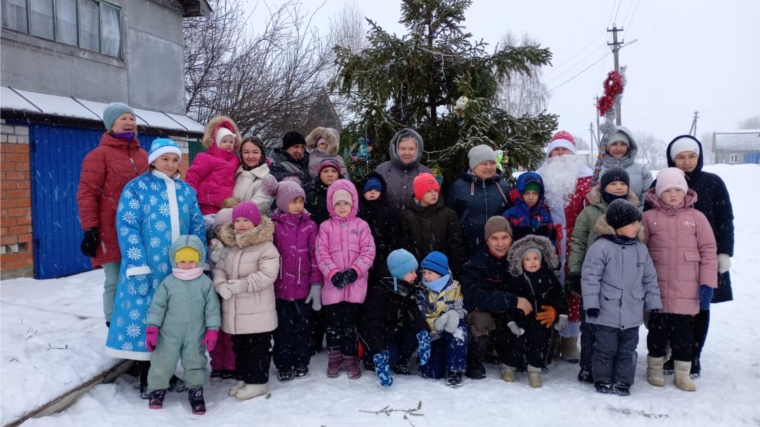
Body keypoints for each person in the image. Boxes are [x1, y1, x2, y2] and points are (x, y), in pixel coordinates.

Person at [105, 138, 206, 398]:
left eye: (175, 159)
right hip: (148, 267)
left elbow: (196, 226)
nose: (171, 164)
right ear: (153, 160)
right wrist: (137, 265)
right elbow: (128, 227)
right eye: (165, 159)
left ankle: (166, 372)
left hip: (178, 268)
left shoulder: (186, 191)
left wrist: (198, 258)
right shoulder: (136, 189)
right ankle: (146, 376)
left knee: (170, 321)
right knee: (147, 318)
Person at [649, 135, 734, 379]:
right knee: (666, 310)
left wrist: (724, 252)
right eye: (680, 157)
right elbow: (649, 216)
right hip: (668, 261)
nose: (686, 162)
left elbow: (725, 219)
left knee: (699, 307)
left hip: (704, 259)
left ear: (699, 157)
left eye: (691, 156)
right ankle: (667, 353)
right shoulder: (661, 182)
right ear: (671, 159)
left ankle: (691, 356)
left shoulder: (712, 182)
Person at [642, 168, 717, 392]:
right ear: (658, 193)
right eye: (667, 190)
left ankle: (682, 373)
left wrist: (707, 284)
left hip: (687, 289)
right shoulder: (648, 218)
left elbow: (708, 250)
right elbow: (640, 252)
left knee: (684, 335)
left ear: (685, 192)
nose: (673, 194)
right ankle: (654, 368)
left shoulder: (696, 218)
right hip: (658, 290)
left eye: (678, 189)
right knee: (657, 333)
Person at [77, 102, 148, 328]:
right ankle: (115, 325)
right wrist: (90, 228)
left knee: (140, 277)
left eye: (132, 118)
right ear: (111, 124)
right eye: (123, 118)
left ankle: (139, 325)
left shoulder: (144, 155)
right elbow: (87, 193)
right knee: (116, 280)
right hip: (111, 229)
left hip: (142, 228)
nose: (129, 122)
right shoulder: (99, 155)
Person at [566, 167, 640, 383]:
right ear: (603, 187)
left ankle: (614, 368)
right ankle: (588, 366)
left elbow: (640, 243)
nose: (618, 187)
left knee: (618, 329)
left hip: (621, 281)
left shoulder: (634, 211)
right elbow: (578, 242)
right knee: (590, 325)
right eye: (613, 183)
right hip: (594, 280)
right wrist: (575, 271)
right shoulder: (590, 212)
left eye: (622, 184)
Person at [581, 199, 661, 396]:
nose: (637, 227)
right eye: (632, 223)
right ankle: (603, 380)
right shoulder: (601, 247)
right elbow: (590, 277)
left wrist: (653, 303)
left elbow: (649, 278)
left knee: (627, 350)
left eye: (637, 223)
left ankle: (623, 382)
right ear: (617, 225)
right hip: (605, 310)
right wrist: (591, 304)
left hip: (632, 311)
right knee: (605, 349)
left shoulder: (640, 248)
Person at [145, 235, 221, 414]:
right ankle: (157, 389)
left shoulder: (205, 283)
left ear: (199, 260)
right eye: (182, 261)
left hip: (196, 332)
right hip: (169, 332)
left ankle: (195, 390)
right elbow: (158, 307)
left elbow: (212, 308)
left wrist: (212, 330)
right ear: (175, 260)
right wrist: (152, 328)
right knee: (163, 361)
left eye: (191, 261)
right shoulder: (168, 283)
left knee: (195, 361)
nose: (187, 265)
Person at [536, 130, 593, 362]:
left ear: (573, 153)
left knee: (574, 290)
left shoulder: (588, 179)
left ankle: (570, 340)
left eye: (564, 150)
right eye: (555, 150)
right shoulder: (540, 177)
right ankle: (552, 337)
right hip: (548, 242)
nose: (559, 155)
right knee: (549, 288)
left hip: (577, 243)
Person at [214, 201, 280, 400]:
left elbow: (267, 274)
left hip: (257, 309)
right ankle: (243, 378)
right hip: (234, 310)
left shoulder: (266, 247)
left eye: (246, 220)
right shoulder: (229, 247)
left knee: (257, 348)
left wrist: (242, 285)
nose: (241, 224)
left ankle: (258, 382)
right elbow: (220, 269)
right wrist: (221, 285)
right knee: (240, 347)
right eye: (238, 221)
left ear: (256, 222)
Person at [315, 179, 376, 379]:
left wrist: (354, 271)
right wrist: (333, 273)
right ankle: (334, 357)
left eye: (346, 203)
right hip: (333, 286)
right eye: (337, 204)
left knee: (350, 324)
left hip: (355, 285)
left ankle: (350, 357)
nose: (342, 207)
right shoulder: (325, 227)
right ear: (331, 205)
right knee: (333, 324)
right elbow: (321, 253)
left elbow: (368, 251)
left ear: (353, 204)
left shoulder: (361, 225)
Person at [459, 216, 533, 380]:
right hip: (489, 316)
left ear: (511, 238)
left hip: (510, 318)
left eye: (505, 237)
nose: (500, 244)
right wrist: (511, 300)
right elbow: (474, 297)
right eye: (495, 238)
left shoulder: (521, 259)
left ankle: (514, 354)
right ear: (487, 240)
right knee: (480, 319)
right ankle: (475, 361)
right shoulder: (476, 262)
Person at [270, 181, 323, 381]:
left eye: (301, 201)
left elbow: (315, 256)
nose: (298, 205)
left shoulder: (310, 225)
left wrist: (315, 284)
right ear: (283, 203)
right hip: (280, 290)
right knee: (283, 330)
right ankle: (284, 364)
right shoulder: (274, 226)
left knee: (303, 329)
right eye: (293, 201)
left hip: (303, 290)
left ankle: (301, 362)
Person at [502, 235, 568, 388]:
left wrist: (561, 313)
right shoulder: (517, 279)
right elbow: (511, 301)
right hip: (522, 319)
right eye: (528, 259)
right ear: (521, 262)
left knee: (540, 343)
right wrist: (511, 320)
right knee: (515, 343)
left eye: (535, 258)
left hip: (541, 319)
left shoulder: (548, 277)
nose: (532, 262)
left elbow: (558, 296)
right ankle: (508, 367)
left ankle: (535, 370)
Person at [360, 249, 431, 387]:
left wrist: (423, 333)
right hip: (378, 333)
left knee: (411, 336)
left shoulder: (407, 289)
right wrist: (379, 350)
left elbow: (413, 314)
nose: (415, 275)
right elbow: (373, 323)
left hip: (394, 330)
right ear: (399, 272)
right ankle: (373, 359)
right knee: (390, 354)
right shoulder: (380, 291)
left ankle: (400, 362)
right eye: (411, 272)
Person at [415, 251, 469, 387]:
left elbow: (462, 307)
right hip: (434, 332)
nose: (426, 277)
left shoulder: (455, 287)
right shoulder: (421, 291)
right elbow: (422, 315)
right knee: (431, 373)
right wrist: (435, 324)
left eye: (430, 273)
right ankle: (433, 359)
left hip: (453, 326)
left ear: (441, 273)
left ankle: (455, 370)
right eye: (424, 272)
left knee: (459, 334)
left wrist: (454, 316)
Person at [446, 145, 511, 256]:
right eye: (484, 164)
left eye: (492, 163)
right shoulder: (459, 187)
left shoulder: (503, 187)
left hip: (498, 249)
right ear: (473, 165)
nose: (489, 167)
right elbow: (450, 218)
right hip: (468, 248)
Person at [401, 173, 466, 276]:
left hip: (443, 271)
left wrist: (456, 270)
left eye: (436, 190)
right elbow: (405, 246)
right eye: (429, 191)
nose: (434, 194)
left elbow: (456, 245)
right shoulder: (408, 216)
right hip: (417, 271)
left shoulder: (448, 214)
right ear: (419, 193)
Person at [185, 116, 242, 215]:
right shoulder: (205, 158)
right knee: (209, 224)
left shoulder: (235, 160)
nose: (228, 144)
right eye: (224, 141)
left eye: (231, 142)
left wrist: (263, 161)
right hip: (207, 202)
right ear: (216, 142)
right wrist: (189, 194)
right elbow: (193, 175)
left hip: (226, 203)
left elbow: (245, 166)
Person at [357, 172, 403, 279]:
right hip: (362, 257)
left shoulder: (389, 210)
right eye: (369, 190)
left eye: (376, 190)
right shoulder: (358, 210)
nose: (373, 192)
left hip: (383, 256)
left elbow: (395, 235)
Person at [375, 128, 432, 212]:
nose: (407, 153)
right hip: (388, 222)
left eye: (411, 149)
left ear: (418, 150)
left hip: (416, 223)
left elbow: (432, 202)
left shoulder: (426, 172)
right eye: (403, 148)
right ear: (396, 149)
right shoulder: (382, 169)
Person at [598, 126, 653, 206]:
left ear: (629, 147)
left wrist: (636, 215)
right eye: (614, 144)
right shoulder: (596, 171)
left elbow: (648, 199)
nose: (619, 148)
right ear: (606, 146)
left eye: (623, 144)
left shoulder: (642, 171)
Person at [503, 172, 555, 245]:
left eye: (535, 193)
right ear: (520, 194)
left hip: (540, 255)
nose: (531, 197)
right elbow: (504, 243)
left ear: (540, 195)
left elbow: (551, 243)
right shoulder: (510, 216)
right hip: (516, 255)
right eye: (526, 193)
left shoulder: (545, 217)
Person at [232, 136, 278, 215]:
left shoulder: (268, 180)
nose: (250, 156)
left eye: (255, 152)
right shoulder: (234, 174)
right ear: (241, 154)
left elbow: (253, 210)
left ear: (262, 154)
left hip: (254, 225)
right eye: (246, 152)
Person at [304, 158, 344, 225]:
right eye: (325, 171)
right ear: (320, 174)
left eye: (334, 171)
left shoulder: (346, 192)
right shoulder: (312, 194)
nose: (330, 174)